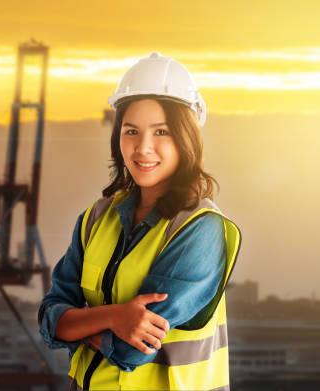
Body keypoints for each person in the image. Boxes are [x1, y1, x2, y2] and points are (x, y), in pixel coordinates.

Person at [37, 52, 242, 390]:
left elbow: (131, 351)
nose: (142, 147)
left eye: (161, 132)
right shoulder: (96, 219)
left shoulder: (200, 230)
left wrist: (76, 324)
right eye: (131, 131)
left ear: (186, 138)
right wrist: (115, 317)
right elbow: (48, 317)